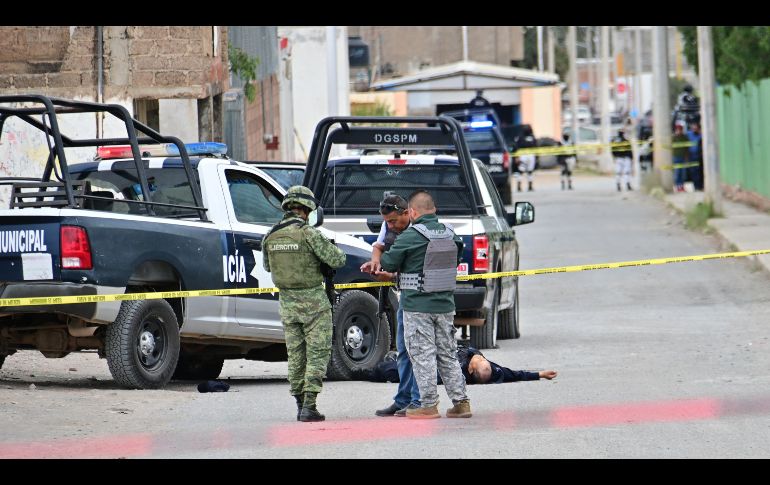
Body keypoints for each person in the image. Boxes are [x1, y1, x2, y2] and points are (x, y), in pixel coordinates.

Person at [379, 190, 470, 419]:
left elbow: (389, 262)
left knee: (422, 355)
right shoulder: (452, 235)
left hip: (417, 306)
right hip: (445, 305)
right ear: (434, 209)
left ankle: (428, 405)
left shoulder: (411, 236)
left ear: (412, 211)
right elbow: (455, 260)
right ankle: (461, 403)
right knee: (447, 354)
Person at [263, 185, 346, 422]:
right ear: (308, 209)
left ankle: (300, 404)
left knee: (296, 354)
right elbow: (337, 259)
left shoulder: (271, 234)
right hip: (313, 303)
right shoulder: (308, 233)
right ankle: (310, 405)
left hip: (287, 303)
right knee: (317, 353)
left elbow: (269, 267)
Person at [359, 194, 421, 417]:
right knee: (403, 350)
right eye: (387, 221)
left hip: (421, 298)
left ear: (407, 213)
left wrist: (390, 274)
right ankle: (403, 399)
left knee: (417, 351)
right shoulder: (390, 224)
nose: (390, 225)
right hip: (405, 294)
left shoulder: (419, 229)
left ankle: (418, 401)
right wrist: (375, 262)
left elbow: (416, 265)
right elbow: (380, 245)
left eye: (394, 221)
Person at [352, 343, 558, 385]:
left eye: (478, 361)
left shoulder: (456, 372)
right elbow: (516, 374)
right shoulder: (491, 369)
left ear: (470, 370)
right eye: (482, 359)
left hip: (429, 363)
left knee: (389, 371)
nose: (480, 358)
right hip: (439, 347)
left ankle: (359, 372)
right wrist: (540, 374)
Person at [515, 126, 537, 192]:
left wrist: (517, 156)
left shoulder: (520, 137)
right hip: (528, 156)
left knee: (522, 171)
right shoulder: (531, 137)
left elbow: (516, 147)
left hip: (524, 156)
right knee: (527, 171)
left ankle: (526, 186)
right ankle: (523, 186)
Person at [611, 127, 633, 192]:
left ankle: (618, 185)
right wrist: (631, 158)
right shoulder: (626, 140)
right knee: (626, 172)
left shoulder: (614, 141)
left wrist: (614, 157)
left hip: (618, 158)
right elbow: (630, 150)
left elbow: (612, 150)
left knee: (618, 172)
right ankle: (627, 185)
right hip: (626, 158)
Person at [672, 121, 689, 192]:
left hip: (683, 157)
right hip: (675, 158)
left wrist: (686, 157)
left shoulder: (684, 137)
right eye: (678, 130)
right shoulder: (673, 138)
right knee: (677, 173)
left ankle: (682, 186)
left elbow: (687, 148)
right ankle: (677, 186)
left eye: (680, 129)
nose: (679, 131)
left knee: (683, 173)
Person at [686, 121, 704, 191]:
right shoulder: (688, 134)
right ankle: (696, 186)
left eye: (695, 127)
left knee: (700, 172)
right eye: (693, 127)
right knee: (693, 172)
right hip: (691, 156)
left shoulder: (701, 134)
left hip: (699, 156)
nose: (694, 128)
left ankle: (700, 186)